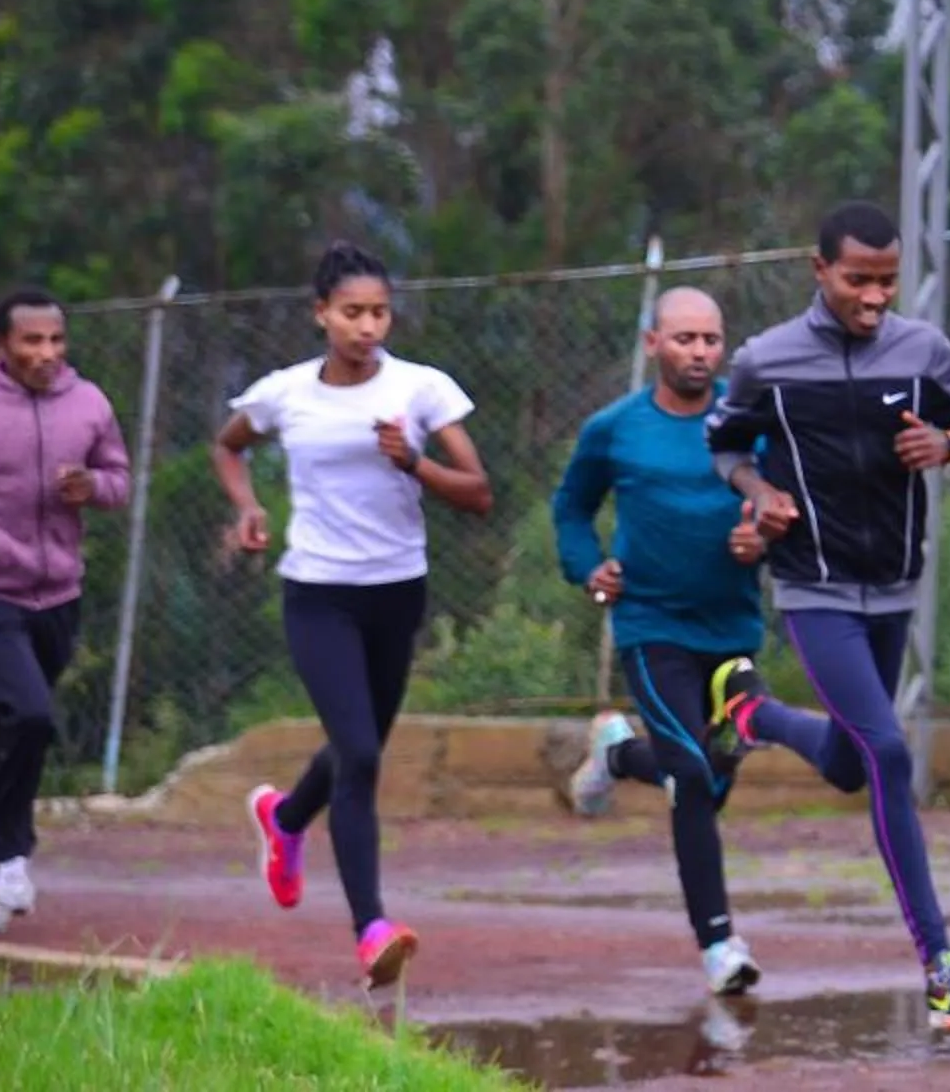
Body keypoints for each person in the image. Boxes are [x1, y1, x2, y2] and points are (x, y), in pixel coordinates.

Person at [701, 200, 950, 1034]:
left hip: (896, 588)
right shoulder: (765, 361)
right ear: (819, 271)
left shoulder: (923, 352)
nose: (875, 297)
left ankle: (751, 712)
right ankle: (942, 965)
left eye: (887, 280)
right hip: (814, 588)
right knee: (886, 750)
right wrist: (759, 491)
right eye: (858, 281)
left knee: (850, 762)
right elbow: (726, 445)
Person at [214, 240, 494, 990]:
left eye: (378, 312)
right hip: (318, 593)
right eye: (351, 312)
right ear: (320, 314)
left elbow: (477, 490)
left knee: (356, 742)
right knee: (362, 754)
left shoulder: (422, 388)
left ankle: (284, 819)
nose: (367, 327)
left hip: (398, 591)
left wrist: (413, 462)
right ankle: (371, 928)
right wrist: (246, 509)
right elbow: (229, 445)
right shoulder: (286, 394)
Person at [551, 285, 768, 998]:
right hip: (652, 630)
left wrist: (760, 535)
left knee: (719, 771)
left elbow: (785, 510)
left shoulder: (750, 421)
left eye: (710, 340)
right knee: (695, 778)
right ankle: (719, 946)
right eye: (684, 339)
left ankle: (617, 754)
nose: (699, 353)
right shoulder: (614, 429)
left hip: (731, 632)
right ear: (653, 344)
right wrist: (589, 569)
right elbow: (572, 509)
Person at [0, 288, 132, 939]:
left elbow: (120, 480)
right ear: (2, 347)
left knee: (20, 727)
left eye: (56, 341)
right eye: (31, 341)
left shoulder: (90, 403)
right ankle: (9, 858)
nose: (46, 353)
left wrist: (92, 488)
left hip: (59, 594)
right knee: (32, 713)